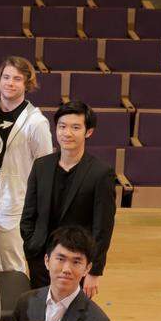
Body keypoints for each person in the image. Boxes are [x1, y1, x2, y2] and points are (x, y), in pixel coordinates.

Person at [0, 57, 54, 274]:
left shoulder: (36, 122)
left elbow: (44, 167)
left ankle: (17, 306)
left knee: (13, 264)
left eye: (17, 79)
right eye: (6, 77)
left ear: (27, 84)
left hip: (13, 203)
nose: (10, 83)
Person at [20, 100, 116, 295]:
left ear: (88, 132)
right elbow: (28, 213)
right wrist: (32, 245)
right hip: (42, 258)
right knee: (40, 314)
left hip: (76, 261)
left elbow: (102, 227)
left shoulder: (101, 173)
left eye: (75, 127)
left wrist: (94, 271)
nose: (67, 133)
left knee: (69, 317)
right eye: (62, 126)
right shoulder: (41, 166)